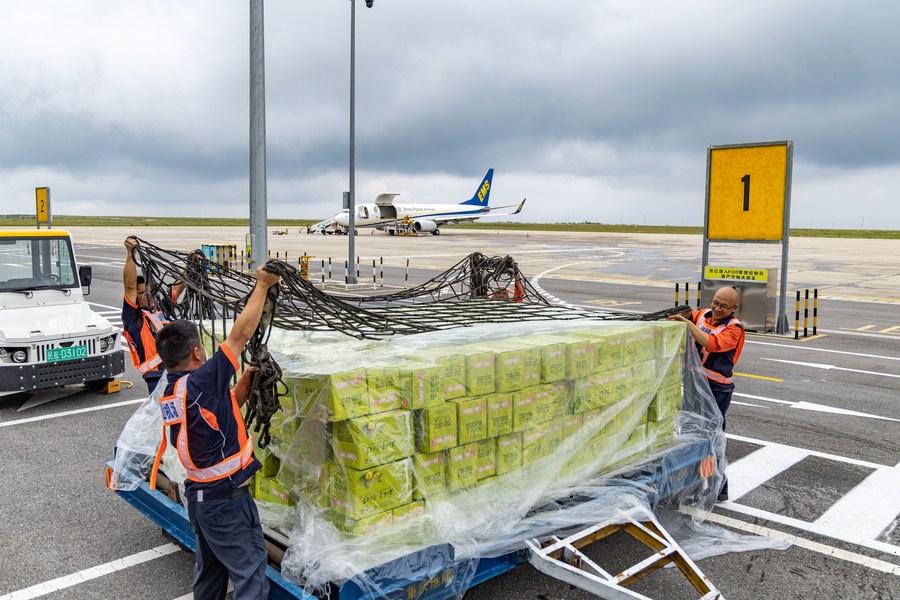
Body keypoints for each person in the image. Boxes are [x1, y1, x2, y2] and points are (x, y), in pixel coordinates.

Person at [152, 264, 279, 600]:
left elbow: (210, 420)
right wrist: (262, 285)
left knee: (210, 576)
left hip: (201, 499)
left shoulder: (173, 391)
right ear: (197, 352)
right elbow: (240, 334)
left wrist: (241, 387)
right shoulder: (203, 380)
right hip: (226, 500)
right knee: (251, 578)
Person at [668, 286, 745, 502]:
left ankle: (719, 487)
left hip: (716, 390)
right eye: (715, 303)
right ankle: (693, 482)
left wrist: (688, 325)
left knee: (712, 437)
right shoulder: (702, 315)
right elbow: (684, 319)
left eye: (724, 306)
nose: (718, 308)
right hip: (694, 384)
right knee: (691, 433)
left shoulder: (734, 329)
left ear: (734, 308)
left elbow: (711, 343)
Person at [122, 237, 186, 393]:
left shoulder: (161, 310)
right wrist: (130, 254)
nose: (149, 295)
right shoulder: (134, 318)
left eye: (150, 291)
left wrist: (190, 265)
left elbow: (177, 288)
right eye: (143, 293)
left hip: (177, 371)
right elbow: (129, 287)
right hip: (157, 376)